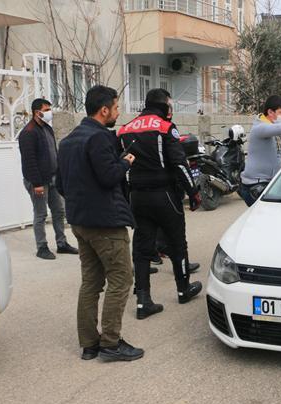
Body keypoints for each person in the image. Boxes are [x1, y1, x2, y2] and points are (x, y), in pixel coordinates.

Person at [56, 85, 143, 362]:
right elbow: (108, 177)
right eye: (116, 108)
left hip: (80, 223)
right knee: (121, 279)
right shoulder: (99, 138)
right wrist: (126, 162)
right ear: (104, 110)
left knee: (91, 283)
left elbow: (61, 185)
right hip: (106, 224)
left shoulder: (68, 142)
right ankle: (111, 342)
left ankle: (89, 345)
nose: (118, 113)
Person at [117, 88, 203, 320]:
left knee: (142, 249)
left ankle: (143, 301)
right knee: (177, 244)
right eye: (170, 105)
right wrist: (193, 193)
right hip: (164, 195)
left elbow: (119, 166)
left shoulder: (124, 129)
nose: (171, 109)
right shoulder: (165, 127)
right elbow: (180, 164)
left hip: (137, 197)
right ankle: (183, 289)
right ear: (163, 106)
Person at [18, 98, 78, 259]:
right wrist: (37, 183)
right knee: (41, 214)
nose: (49, 113)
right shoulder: (28, 133)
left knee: (59, 211)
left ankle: (61, 243)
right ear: (36, 112)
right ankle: (42, 247)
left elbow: (54, 153)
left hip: (52, 179)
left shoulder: (47, 129)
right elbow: (29, 161)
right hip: (38, 182)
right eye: (46, 110)